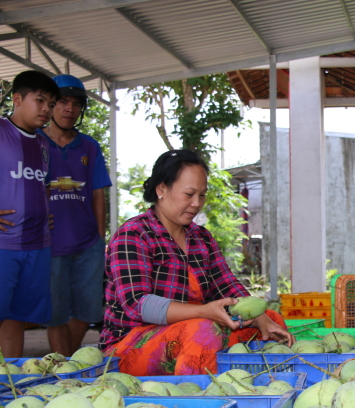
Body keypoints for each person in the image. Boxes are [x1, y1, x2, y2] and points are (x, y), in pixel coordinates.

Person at [100, 149, 294, 375]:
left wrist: (259, 317)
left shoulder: (201, 237)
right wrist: (204, 311)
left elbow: (229, 287)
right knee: (203, 330)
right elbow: (137, 304)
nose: (196, 203)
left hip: (191, 331)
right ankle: (194, 395)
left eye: (202, 195)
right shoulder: (134, 234)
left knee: (270, 320)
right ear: (161, 189)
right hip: (130, 345)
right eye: (189, 194)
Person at [37, 75, 111, 356]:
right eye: (63, 102)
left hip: (87, 244)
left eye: (76, 104)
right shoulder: (35, 141)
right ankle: (68, 366)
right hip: (49, 243)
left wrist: (100, 237)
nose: (70, 109)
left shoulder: (89, 146)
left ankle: (68, 359)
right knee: (55, 313)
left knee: (88, 308)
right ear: (52, 105)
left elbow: (97, 193)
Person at [0, 70, 59, 357]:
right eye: (40, 101)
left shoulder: (43, 143)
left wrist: (44, 209)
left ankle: (9, 380)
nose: (47, 109)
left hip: (37, 245)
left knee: (16, 316)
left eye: (51, 104)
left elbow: (43, 185)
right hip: (3, 244)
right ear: (18, 99)